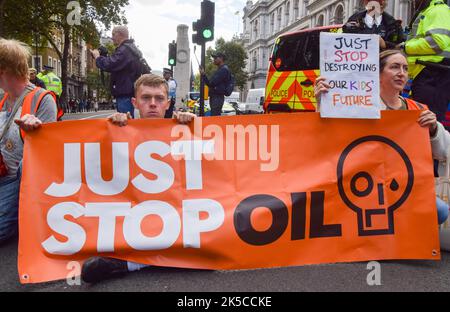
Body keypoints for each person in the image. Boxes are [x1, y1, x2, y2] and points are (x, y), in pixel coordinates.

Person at [80, 74, 196, 283]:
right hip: (136, 214)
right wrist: (35, 130)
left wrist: (196, 127)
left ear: (168, 103)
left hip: (172, 213)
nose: (153, 104)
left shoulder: (184, 128)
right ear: (135, 102)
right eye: (146, 98)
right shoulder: (119, 129)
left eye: (159, 99)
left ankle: (128, 264)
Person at [314, 49, 449, 224]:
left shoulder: (417, 109)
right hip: (363, 184)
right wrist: (321, 102)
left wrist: (433, 129)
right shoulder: (359, 106)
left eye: (405, 68)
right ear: (377, 75)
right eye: (394, 67)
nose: (401, 73)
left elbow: (443, 152)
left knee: (441, 211)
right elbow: (328, 134)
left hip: (407, 186)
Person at [0, 39, 57, 244]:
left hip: (18, 178)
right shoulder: (3, 98)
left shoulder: (42, 99)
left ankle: (25, 215)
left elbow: (49, 151)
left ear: (4, 70)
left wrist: (36, 132)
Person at [397, 0, 450, 124]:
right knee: (423, 119)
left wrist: (405, 47)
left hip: (434, 73)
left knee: (428, 120)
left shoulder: (438, 10)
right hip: (427, 72)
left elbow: (436, 42)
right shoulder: (429, 11)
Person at [91, 26, 145, 119]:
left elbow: (110, 64)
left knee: (124, 122)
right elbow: (117, 63)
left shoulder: (124, 50)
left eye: (113, 34)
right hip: (130, 91)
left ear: (120, 34)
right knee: (127, 120)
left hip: (125, 93)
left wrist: (97, 57)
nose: (112, 37)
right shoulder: (132, 49)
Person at [200, 52, 232, 116]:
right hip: (216, 97)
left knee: (215, 116)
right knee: (215, 116)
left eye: (215, 58)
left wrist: (203, 75)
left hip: (217, 97)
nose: (214, 59)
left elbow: (211, 83)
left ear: (221, 58)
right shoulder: (220, 69)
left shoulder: (223, 70)